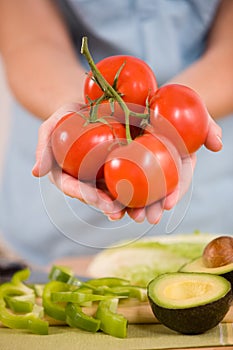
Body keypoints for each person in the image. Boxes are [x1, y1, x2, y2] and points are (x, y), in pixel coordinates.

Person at [0, 0, 232, 267]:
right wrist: (75, 109)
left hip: (212, 200)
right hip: (51, 226)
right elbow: (30, 42)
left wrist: (182, 112)